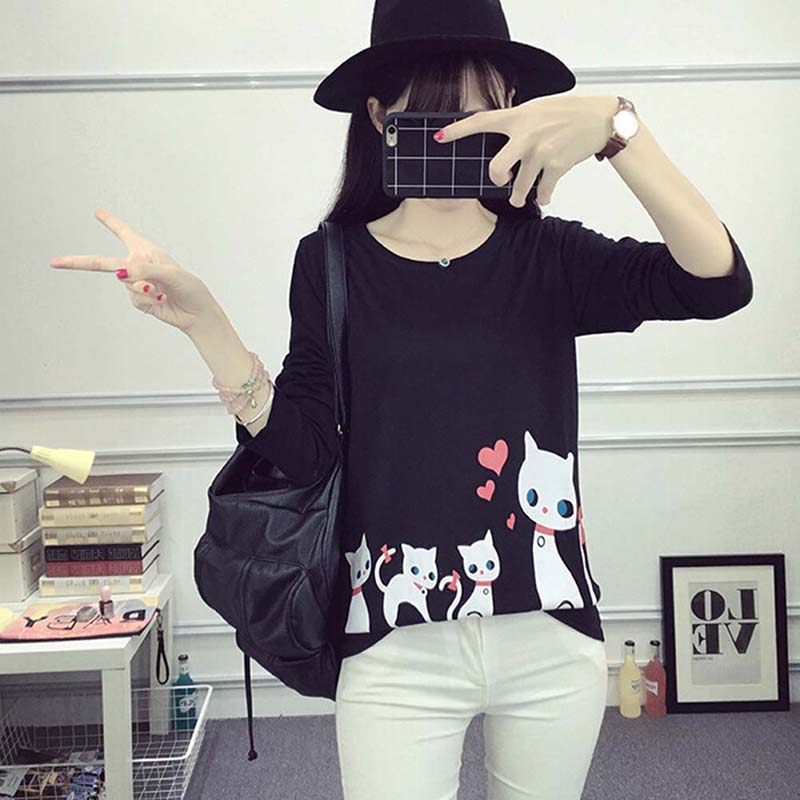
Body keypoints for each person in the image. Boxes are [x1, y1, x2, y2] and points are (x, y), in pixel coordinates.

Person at [48, 2, 754, 798]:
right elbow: (306, 450)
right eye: (434, 116)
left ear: (516, 111)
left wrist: (618, 129)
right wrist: (207, 325)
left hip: (551, 637)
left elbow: (718, 282)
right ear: (381, 116)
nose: (457, 134)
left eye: (481, 114)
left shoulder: (549, 256)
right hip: (390, 644)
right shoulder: (331, 263)